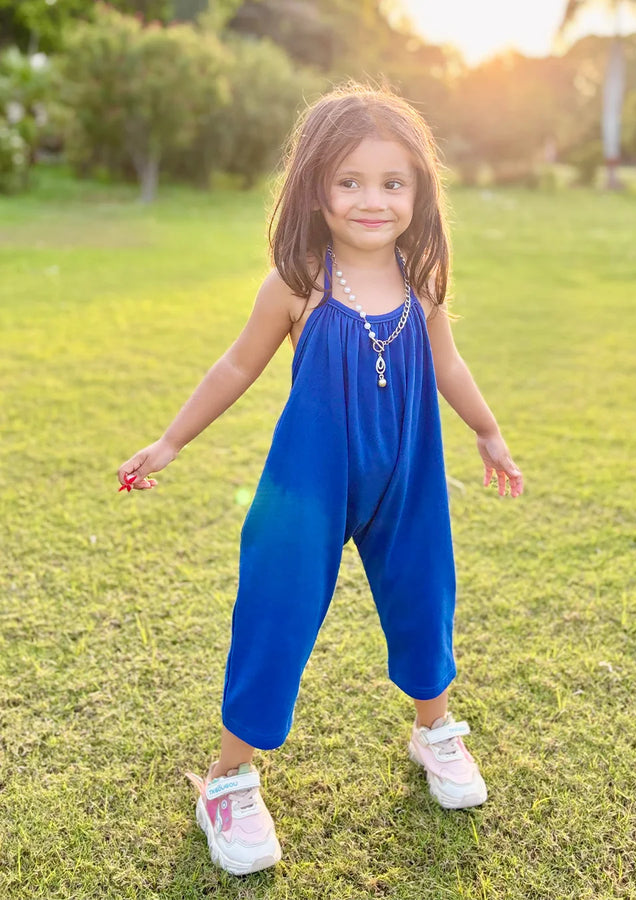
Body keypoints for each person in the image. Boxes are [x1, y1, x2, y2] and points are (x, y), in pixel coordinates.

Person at [117, 84, 523, 877]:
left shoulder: (423, 279)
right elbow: (237, 364)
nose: (372, 200)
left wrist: (487, 429)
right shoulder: (299, 280)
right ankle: (229, 778)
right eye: (350, 181)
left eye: (393, 183)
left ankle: (433, 730)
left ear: (419, 191)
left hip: (407, 476)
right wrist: (169, 442)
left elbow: (447, 362)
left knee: (423, 596)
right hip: (307, 485)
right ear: (315, 188)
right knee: (276, 610)